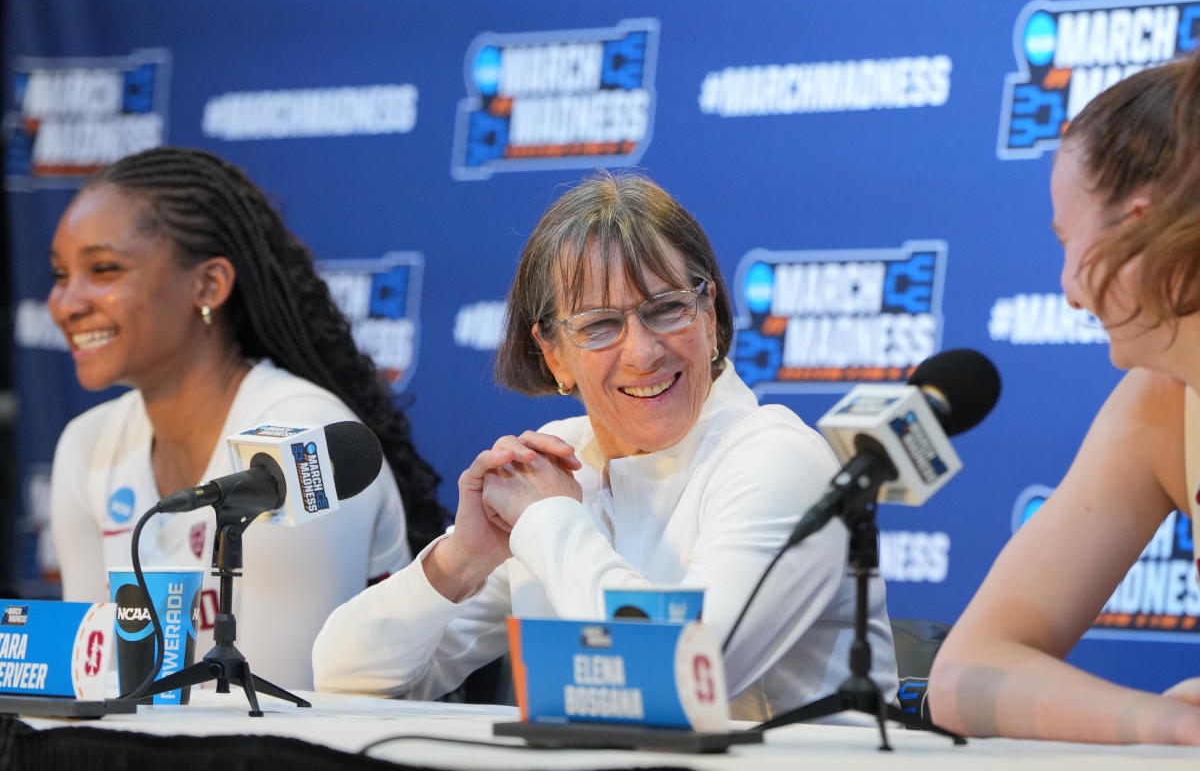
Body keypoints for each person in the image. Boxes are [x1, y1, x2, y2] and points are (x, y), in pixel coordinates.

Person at [313, 171, 897, 718]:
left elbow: (684, 676)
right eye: (598, 325)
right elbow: (345, 675)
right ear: (553, 355)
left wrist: (546, 522)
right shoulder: (556, 465)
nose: (642, 353)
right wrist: (459, 562)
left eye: (667, 309)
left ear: (711, 317)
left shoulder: (776, 455)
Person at [48, 146, 444, 690]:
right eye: (59, 274)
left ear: (209, 285)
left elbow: (278, 699)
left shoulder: (298, 435)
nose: (66, 303)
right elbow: (91, 683)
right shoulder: (86, 444)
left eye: (103, 269)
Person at [927, 54, 1200, 745]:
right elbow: (965, 675)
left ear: (1136, 230)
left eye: (1066, 239)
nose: (1068, 290)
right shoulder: (1159, 405)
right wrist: (1164, 725)